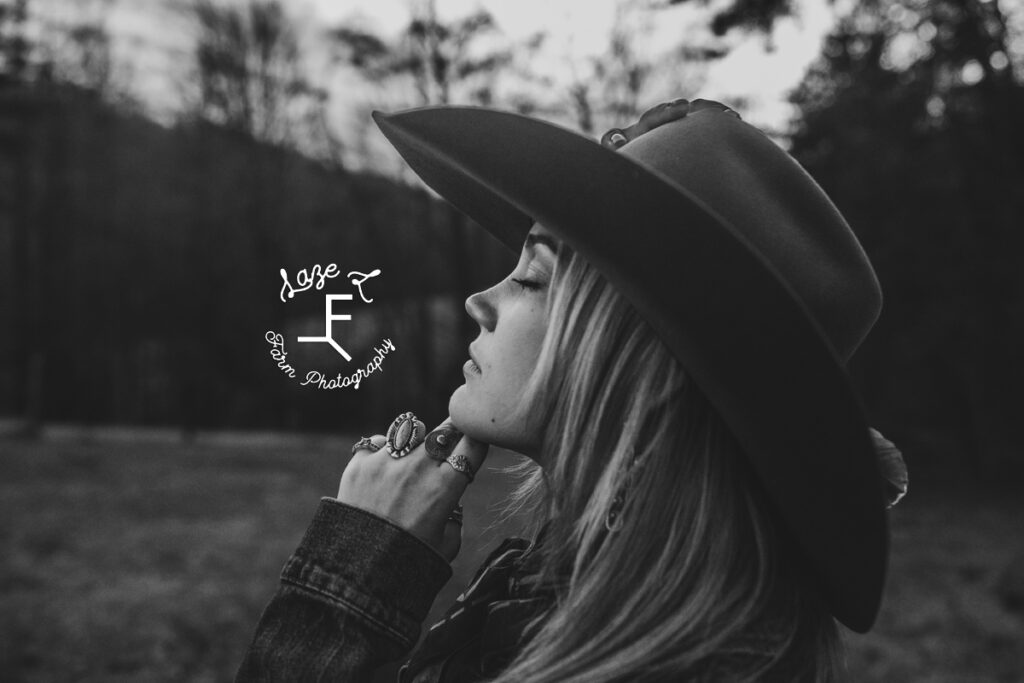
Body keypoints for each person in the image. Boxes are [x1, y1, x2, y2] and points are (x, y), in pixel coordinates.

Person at [235, 98, 909, 682]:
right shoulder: (577, 597)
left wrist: (347, 585)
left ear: (642, 364)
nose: (478, 300)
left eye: (531, 277)